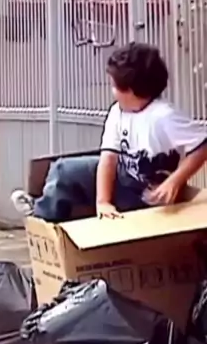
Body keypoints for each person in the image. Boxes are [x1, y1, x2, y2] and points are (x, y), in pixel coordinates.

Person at [11, 42, 207, 222]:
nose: (112, 91)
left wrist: (175, 181)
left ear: (130, 90)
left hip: (147, 194)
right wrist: (103, 202)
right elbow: (108, 158)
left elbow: (202, 145)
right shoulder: (117, 112)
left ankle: (45, 210)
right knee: (63, 170)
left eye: (114, 86)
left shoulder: (164, 116)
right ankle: (42, 212)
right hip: (122, 178)